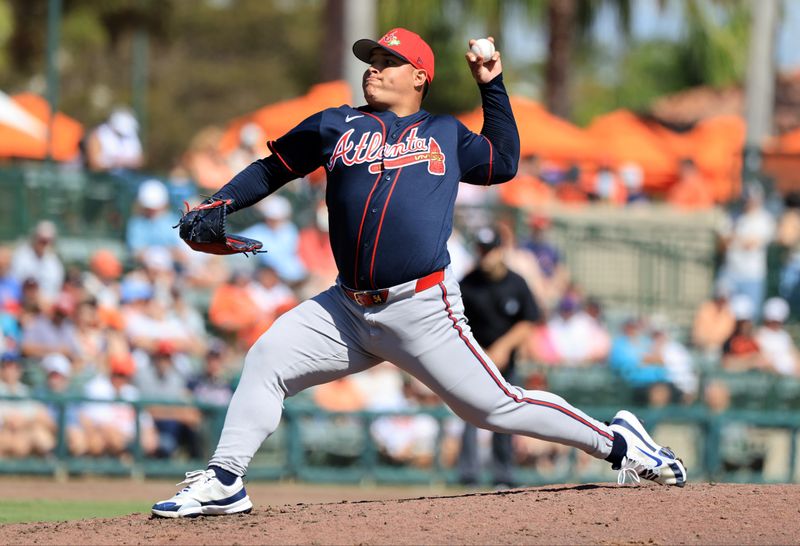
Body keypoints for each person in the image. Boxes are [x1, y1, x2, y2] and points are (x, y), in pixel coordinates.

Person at [152, 28, 685, 519]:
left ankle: (620, 444)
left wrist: (492, 86)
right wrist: (221, 200)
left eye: (389, 61)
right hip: (346, 308)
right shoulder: (335, 123)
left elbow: (503, 163)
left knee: (495, 408)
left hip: (422, 306)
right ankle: (225, 479)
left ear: (419, 76)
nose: (374, 69)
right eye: (372, 60)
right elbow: (273, 168)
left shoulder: (444, 132)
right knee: (267, 356)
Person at [456, 226, 539, 487]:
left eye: (490, 250)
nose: (486, 256)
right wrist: (483, 353)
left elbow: (529, 320)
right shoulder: (468, 283)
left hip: (506, 362)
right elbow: (454, 321)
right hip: (474, 359)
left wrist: (503, 347)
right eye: (482, 250)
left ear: (501, 251)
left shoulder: (516, 282)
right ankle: (468, 475)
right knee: (469, 415)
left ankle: (503, 474)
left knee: (505, 414)